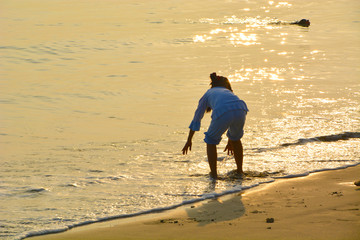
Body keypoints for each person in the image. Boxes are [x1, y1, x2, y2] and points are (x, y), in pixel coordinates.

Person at [182, 73, 249, 179]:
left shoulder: (209, 93)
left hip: (224, 110)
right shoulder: (228, 92)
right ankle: (240, 171)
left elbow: (197, 118)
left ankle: (214, 175)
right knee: (236, 139)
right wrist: (231, 139)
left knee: (211, 140)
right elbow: (232, 114)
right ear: (226, 85)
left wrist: (189, 140)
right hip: (241, 108)